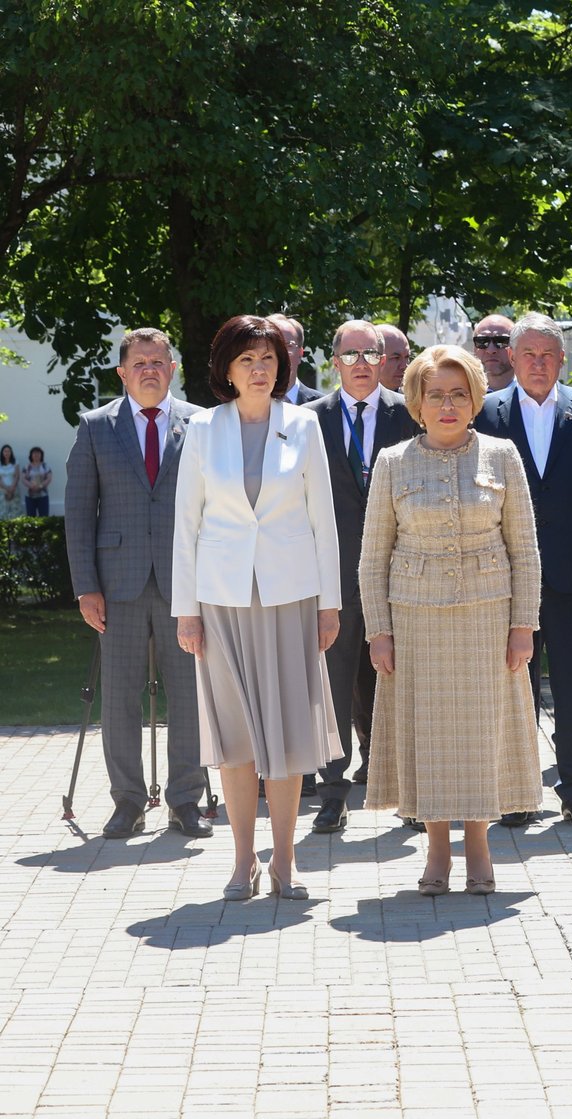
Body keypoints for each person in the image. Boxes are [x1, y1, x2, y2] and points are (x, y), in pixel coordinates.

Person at [172, 315, 343, 901]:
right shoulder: (202, 429)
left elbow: (324, 521)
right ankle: (243, 861)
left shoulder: (304, 425)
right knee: (236, 736)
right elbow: (186, 526)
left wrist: (330, 604)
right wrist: (185, 609)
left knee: (289, 732)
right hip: (220, 601)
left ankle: (286, 862)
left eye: (268, 358)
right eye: (246, 359)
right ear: (226, 368)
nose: (259, 369)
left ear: (283, 365)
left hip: (290, 597)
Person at [362, 346, 544, 894]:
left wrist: (523, 625)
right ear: (416, 403)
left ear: (474, 399)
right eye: (435, 395)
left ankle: (481, 847)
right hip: (415, 620)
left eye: (458, 394)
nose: (447, 405)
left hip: (489, 619)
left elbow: (525, 549)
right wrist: (378, 632)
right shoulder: (393, 463)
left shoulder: (503, 455)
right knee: (429, 737)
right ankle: (437, 849)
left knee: (482, 735)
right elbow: (373, 556)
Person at [475, 312, 572, 827]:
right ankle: (514, 793)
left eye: (548, 355)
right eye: (529, 355)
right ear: (511, 359)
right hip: (501, 578)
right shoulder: (483, 413)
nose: (539, 364)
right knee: (510, 686)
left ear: (562, 360)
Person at [62, 329, 212, 839]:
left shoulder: (202, 424)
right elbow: (79, 514)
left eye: (159, 361)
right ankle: (127, 801)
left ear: (172, 369)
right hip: (117, 586)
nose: (149, 369)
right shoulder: (95, 427)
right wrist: (86, 586)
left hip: (185, 585)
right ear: (122, 372)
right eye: (139, 362)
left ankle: (185, 801)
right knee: (119, 698)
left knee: (189, 696)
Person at [304, 320, 416, 833]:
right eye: (350, 355)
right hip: (334, 574)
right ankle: (332, 792)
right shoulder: (307, 421)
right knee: (334, 681)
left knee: (409, 681)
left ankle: (415, 794)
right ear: (334, 362)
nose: (362, 363)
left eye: (371, 353)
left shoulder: (409, 414)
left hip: (404, 571)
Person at [266, 313, 319, 405]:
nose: (280, 353)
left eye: (288, 346)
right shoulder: (242, 406)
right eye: (271, 346)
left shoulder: (324, 408)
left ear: (300, 353)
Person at [471, 314, 516, 393]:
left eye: (501, 341)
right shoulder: (460, 394)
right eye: (482, 341)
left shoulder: (534, 394)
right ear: (474, 348)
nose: (491, 350)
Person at [376, 323, 411, 393]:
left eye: (407, 357)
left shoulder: (414, 401)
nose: (404, 366)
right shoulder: (351, 400)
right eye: (396, 358)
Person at [22, 447, 52, 516]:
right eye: (34, 453)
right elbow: (23, 479)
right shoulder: (27, 467)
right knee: (31, 517)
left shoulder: (45, 466)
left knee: (44, 517)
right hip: (30, 496)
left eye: (38, 453)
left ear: (41, 455)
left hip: (43, 495)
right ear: (31, 455)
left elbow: (49, 478)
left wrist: (40, 486)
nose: (36, 455)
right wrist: (31, 486)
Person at [0, 445, 20, 520]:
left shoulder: (15, 462)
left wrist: (12, 487)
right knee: (3, 511)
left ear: (11, 452)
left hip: (14, 489)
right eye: (5, 451)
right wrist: (6, 488)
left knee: (15, 511)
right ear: (2, 452)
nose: (7, 453)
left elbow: (17, 476)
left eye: (8, 451)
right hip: (2, 490)